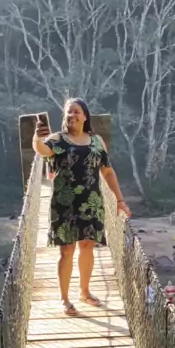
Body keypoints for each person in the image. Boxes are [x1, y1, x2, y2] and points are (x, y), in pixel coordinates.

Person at [32, 98, 131, 316]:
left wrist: (120, 200)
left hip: (91, 202)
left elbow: (107, 171)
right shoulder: (57, 139)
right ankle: (64, 299)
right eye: (69, 112)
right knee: (66, 251)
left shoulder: (96, 141)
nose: (72, 115)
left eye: (77, 111)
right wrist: (37, 137)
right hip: (64, 204)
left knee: (87, 247)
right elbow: (41, 150)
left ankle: (84, 292)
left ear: (85, 116)